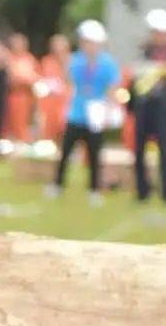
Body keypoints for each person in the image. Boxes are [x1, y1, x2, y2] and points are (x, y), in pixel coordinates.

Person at [51, 19, 121, 202]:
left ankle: (94, 189)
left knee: (94, 155)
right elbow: (68, 81)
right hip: (77, 113)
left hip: (96, 115)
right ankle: (57, 184)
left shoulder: (107, 63)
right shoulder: (76, 61)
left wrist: (109, 111)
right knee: (65, 152)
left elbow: (112, 88)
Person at [129, 8, 166, 204]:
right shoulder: (142, 52)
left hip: (165, 107)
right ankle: (142, 190)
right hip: (144, 106)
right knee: (139, 149)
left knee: (165, 149)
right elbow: (135, 78)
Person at [35, 34, 71, 148]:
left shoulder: (73, 61)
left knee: (66, 129)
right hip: (49, 102)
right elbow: (41, 81)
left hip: (67, 101)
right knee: (48, 130)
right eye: (55, 45)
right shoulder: (46, 61)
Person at [3, 33, 38, 146]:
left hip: (27, 96)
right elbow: (12, 79)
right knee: (11, 123)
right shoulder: (8, 58)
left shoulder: (29, 59)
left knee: (25, 123)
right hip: (13, 95)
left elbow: (34, 78)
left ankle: (24, 142)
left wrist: (25, 80)